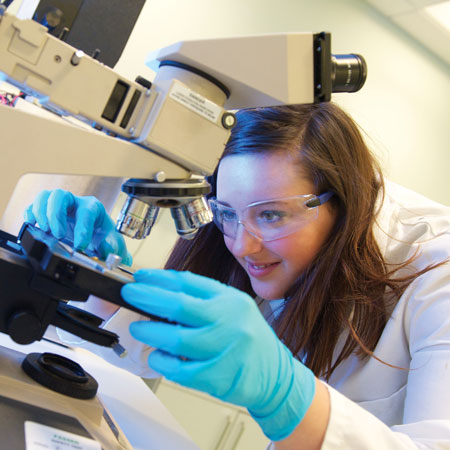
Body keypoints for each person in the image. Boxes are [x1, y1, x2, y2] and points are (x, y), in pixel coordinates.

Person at [25, 103, 450, 449]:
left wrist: (289, 397)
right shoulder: (268, 247)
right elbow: (179, 345)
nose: (242, 246)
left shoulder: (437, 271)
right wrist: (103, 286)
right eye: (226, 213)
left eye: (270, 214)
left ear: (340, 202)